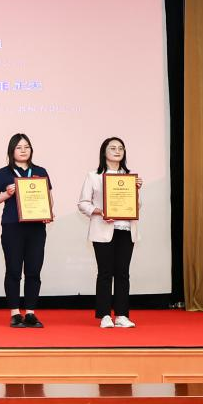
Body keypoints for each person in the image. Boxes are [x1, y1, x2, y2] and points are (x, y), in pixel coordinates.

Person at [0, 133, 54, 328]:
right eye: (19, 147)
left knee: (34, 270)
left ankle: (31, 313)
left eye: (27, 147)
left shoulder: (40, 171)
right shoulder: (2, 173)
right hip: (12, 227)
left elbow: (49, 198)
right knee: (14, 270)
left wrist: (48, 212)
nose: (23, 150)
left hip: (36, 227)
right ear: (12, 151)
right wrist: (6, 193)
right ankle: (15, 313)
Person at [77, 137, 143, 328]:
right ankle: (105, 315)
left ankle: (122, 315)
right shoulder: (93, 176)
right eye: (112, 148)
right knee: (105, 273)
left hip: (126, 229)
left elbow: (137, 206)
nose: (117, 151)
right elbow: (83, 203)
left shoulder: (129, 177)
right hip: (103, 230)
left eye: (121, 148)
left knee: (123, 273)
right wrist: (100, 211)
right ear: (104, 152)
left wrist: (136, 190)